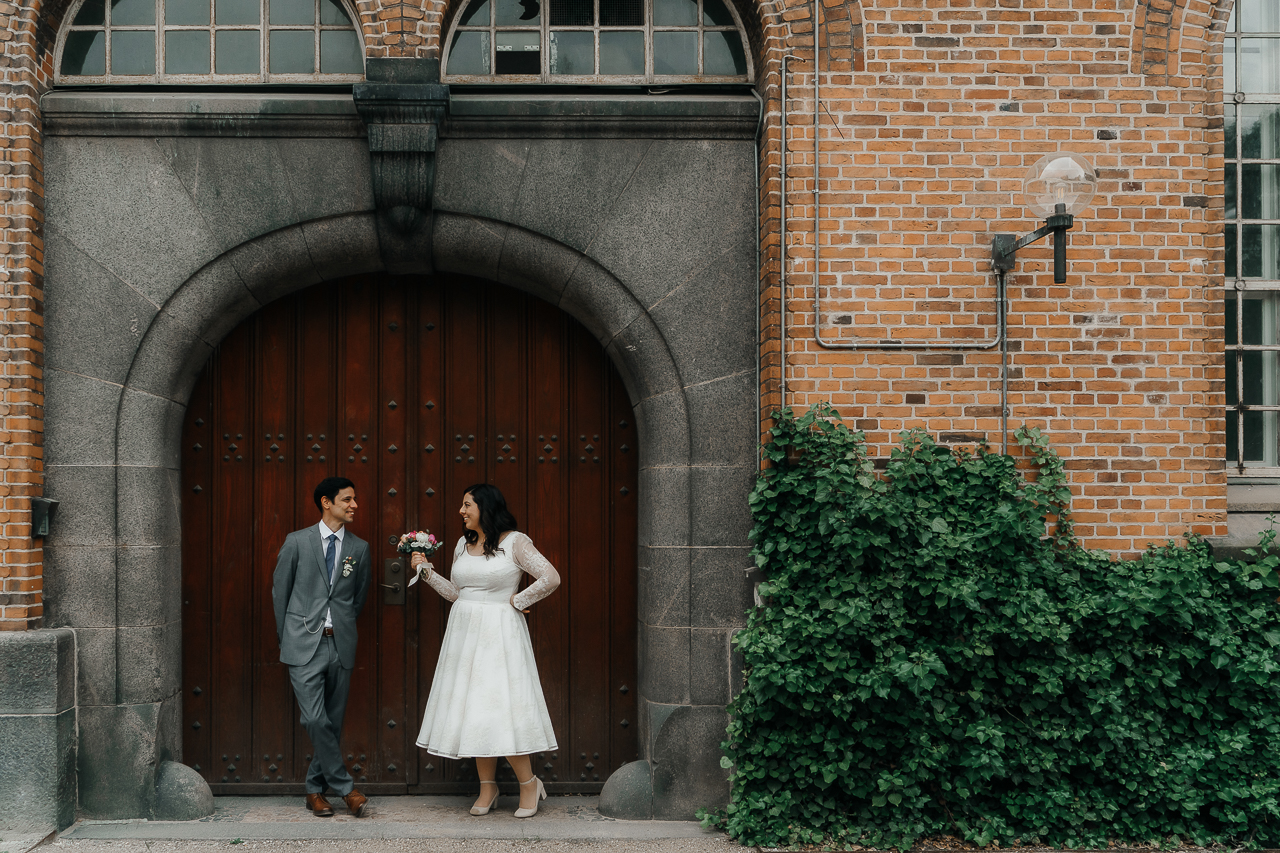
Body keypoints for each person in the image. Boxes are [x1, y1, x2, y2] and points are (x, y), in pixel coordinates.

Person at [412, 483, 561, 818]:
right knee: (475, 708)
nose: (462, 511)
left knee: (501, 706)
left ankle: (528, 784)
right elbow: (457, 593)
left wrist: (517, 601)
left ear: (486, 507)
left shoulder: (515, 542)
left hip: (500, 634)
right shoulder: (463, 546)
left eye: (467, 505)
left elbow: (550, 577)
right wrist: (426, 573)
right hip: (464, 634)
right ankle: (488, 787)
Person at [272, 476, 372, 818]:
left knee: (333, 721)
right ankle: (346, 789)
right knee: (315, 718)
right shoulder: (297, 542)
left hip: (340, 644)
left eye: (354, 499)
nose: (354, 505)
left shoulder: (359, 549)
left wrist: (340, 626)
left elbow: (357, 599)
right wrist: (288, 640)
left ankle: (315, 792)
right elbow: (280, 594)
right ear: (326, 503)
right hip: (303, 645)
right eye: (347, 499)